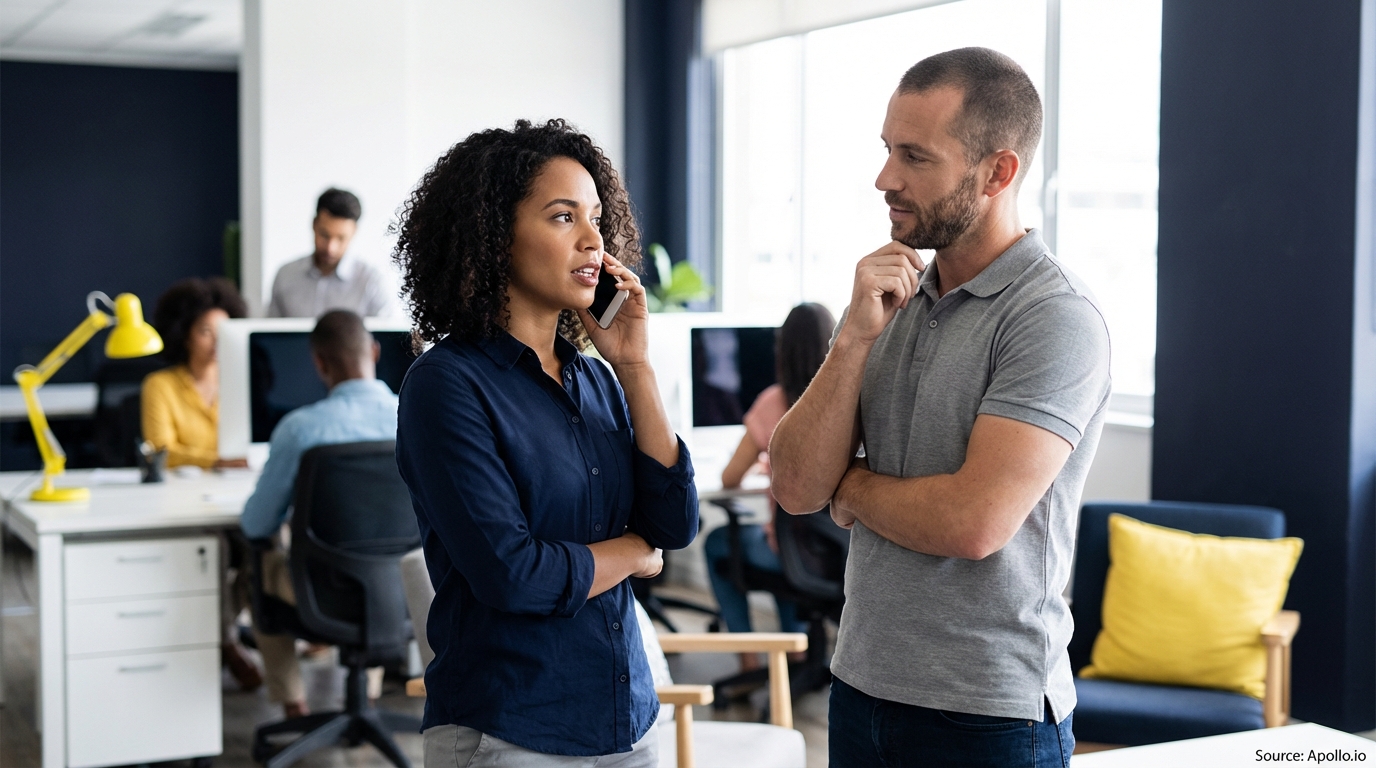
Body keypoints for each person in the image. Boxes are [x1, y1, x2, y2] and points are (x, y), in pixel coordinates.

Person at [769, 48, 1111, 768]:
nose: (884, 179)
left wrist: (852, 486)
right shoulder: (887, 301)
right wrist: (853, 337)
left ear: (998, 172)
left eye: (915, 158)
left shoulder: (1054, 317)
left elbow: (973, 521)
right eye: (888, 150)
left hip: (988, 714)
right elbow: (798, 486)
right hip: (861, 689)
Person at [393, 119, 697, 767]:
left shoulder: (596, 377)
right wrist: (634, 555)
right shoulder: (446, 384)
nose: (593, 240)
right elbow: (514, 575)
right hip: (511, 730)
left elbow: (672, 522)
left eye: (595, 217)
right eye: (563, 217)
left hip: (625, 718)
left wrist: (636, 368)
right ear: (493, 236)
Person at [239, 309, 401, 719]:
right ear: (375, 352)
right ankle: (368, 697)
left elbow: (256, 524)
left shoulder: (300, 429)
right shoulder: (418, 416)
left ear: (320, 363)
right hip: (407, 591)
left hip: (325, 595)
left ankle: (293, 703)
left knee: (255, 566)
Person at [702, 303, 835, 668]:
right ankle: (795, 648)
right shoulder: (848, 398)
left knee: (718, 543)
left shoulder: (774, 403)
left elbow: (730, 478)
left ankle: (748, 655)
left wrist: (766, 460)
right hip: (841, 554)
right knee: (781, 537)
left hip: (794, 553)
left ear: (783, 349)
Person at [143, 276, 249, 469]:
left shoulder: (244, 383)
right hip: (180, 489)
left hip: (235, 483)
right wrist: (216, 462)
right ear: (185, 335)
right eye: (206, 331)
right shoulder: (160, 385)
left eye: (224, 330)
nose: (217, 340)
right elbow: (160, 450)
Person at [267, 188, 395, 318]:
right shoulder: (285, 275)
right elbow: (269, 333)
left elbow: (385, 334)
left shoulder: (371, 281)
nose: (330, 248)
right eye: (324, 235)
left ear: (354, 232)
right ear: (314, 224)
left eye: (341, 238)